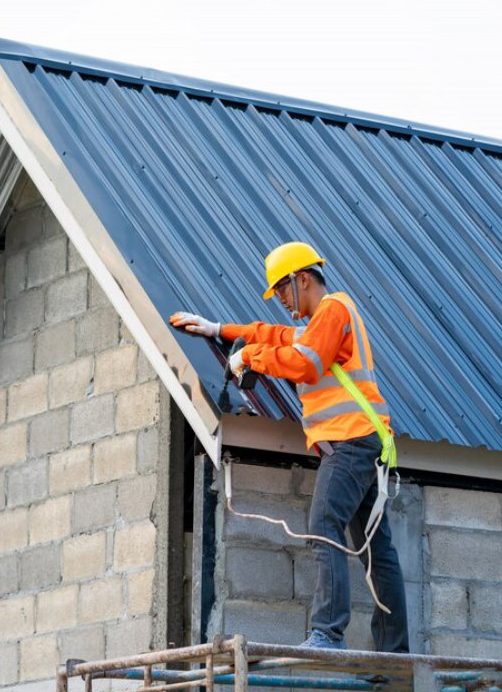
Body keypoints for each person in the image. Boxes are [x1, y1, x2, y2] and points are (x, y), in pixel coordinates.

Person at [169, 241, 409, 653]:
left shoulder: (333, 309)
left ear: (303, 278)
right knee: (377, 549)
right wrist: (220, 330)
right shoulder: (324, 320)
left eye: (282, 289)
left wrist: (250, 359)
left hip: (350, 442)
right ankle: (395, 652)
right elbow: (275, 334)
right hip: (364, 443)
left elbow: (305, 363)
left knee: (323, 527)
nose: (281, 299)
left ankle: (327, 633)